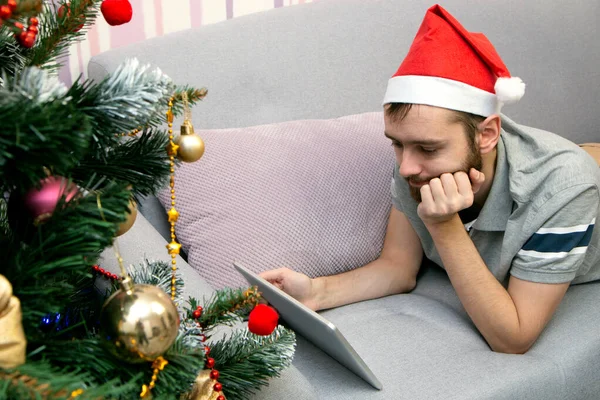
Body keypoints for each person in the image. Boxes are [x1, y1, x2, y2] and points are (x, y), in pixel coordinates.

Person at [260, 4, 600, 354]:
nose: (406, 167)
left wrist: (443, 225)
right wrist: (316, 292)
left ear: (486, 135)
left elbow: (512, 338)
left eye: (427, 147)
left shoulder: (563, 186)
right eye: (397, 144)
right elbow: (398, 267)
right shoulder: (418, 163)